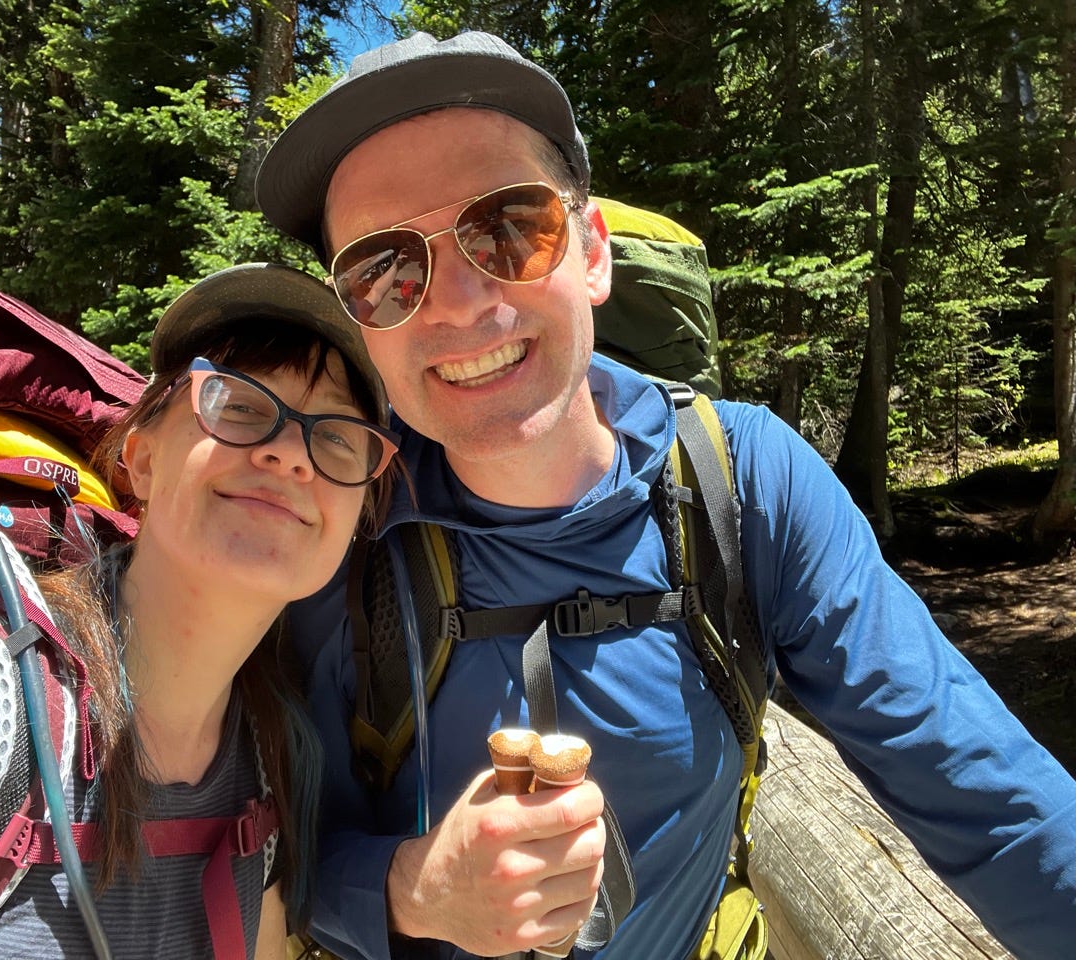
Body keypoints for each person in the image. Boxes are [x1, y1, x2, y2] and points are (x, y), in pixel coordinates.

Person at [253, 31, 1076, 960]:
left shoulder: (746, 483)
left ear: (593, 252)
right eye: (386, 269)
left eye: (509, 228)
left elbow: (982, 790)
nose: (455, 303)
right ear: (359, 316)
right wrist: (413, 890)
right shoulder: (335, 520)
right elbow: (256, 851)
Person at [0, 263, 399, 960]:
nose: (291, 453)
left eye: (335, 438)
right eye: (238, 405)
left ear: (357, 514)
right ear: (140, 462)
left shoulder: (270, 758)